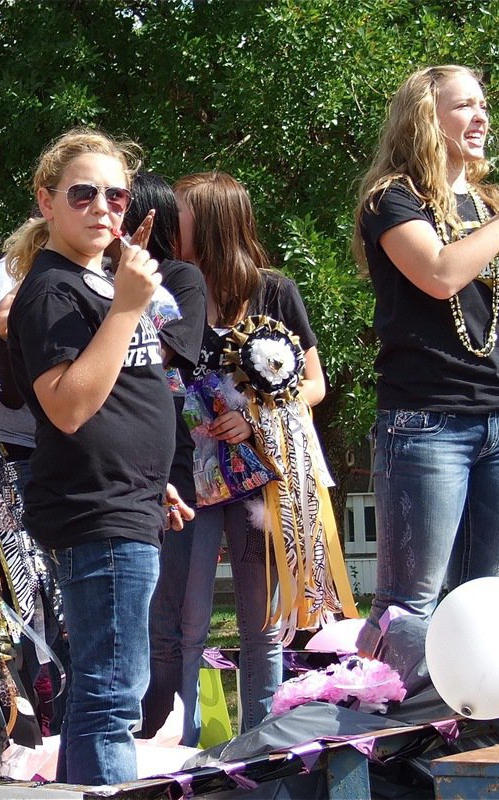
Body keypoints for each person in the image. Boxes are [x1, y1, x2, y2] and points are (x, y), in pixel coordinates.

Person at [352, 65, 499, 655]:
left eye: (483, 105)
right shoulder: (391, 200)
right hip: (427, 423)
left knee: (484, 597)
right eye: (464, 106)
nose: (481, 117)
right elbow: (442, 274)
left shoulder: (492, 202)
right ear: (428, 117)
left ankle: (470, 723)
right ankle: (390, 730)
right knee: (410, 605)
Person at [4, 129, 192, 785]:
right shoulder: (54, 289)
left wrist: (152, 482)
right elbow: (67, 405)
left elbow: (124, 395)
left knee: (102, 692)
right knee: (116, 695)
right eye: (83, 194)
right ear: (47, 201)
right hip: (95, 510)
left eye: (116, 194)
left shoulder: (99, 280)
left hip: (126, 499)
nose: (103, 208)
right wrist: (126, 308)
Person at [174, 170, 331, 732]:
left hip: (261, 475)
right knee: (185, 620)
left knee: (260, 621)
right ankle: (178, 743)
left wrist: (258, 414)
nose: (170, 221)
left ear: (212, 222)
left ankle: (263, 742)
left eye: (181, 212)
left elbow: (314, 384)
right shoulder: (168, 291)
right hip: (186, 477)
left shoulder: (274, 290)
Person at [111, 173, 209, 746]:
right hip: (104, 463)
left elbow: (175, 347)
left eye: (120, 203)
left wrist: (130, 293)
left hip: (167, 462)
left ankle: (155, 729)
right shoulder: (88, 278)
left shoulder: (180, 279)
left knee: (162, 615)